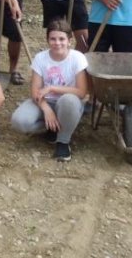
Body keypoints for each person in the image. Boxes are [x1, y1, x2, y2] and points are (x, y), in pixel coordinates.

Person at [10, 19, 89, 162]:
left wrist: (52, 87)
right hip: (45, 101)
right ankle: (53, 127)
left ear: (69, 41)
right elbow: (35, 92)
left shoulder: (77, 58)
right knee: (19, 121)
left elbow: (82, 92)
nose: (57, 43)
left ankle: (63, 141)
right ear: (47, 40)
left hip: (68, 102)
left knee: (69, 101)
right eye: (53, 39)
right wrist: (46, 109)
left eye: (61, 39)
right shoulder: (41, 58)